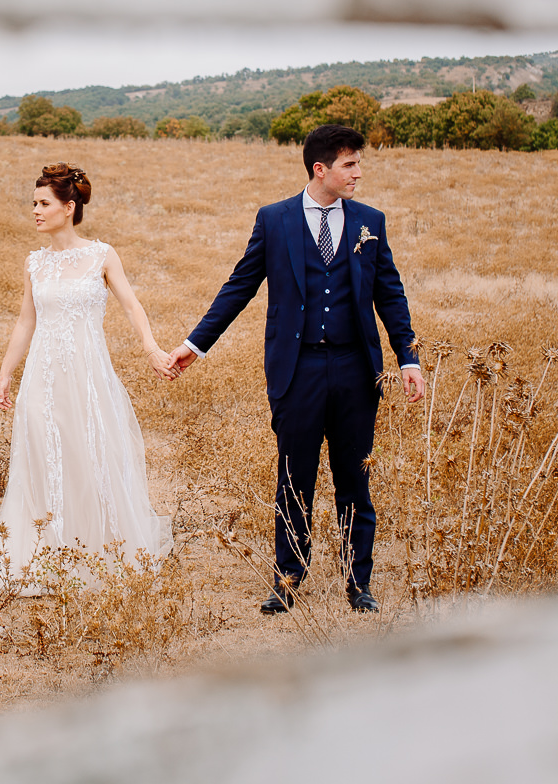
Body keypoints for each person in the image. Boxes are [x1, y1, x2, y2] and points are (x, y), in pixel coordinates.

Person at [169, 124, 425, 614]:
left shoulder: (371, 221)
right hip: (297, 370)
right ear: (320, 169)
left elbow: (390, 294)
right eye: (349, 164)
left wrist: (407, 357)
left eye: (358, 163)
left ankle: (359, 584)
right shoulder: (275, 220)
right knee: (294, 478)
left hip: (356, 369)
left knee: (354, 478)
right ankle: (287, 579)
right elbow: (239, 286)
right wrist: (194, 345)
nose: (358, 172)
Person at [0, 163, 174, 592]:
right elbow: (24, 323)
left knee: (90, 458)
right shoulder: (34, 263)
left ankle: (96, 552)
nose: (35, 211)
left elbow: (130, 305)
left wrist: (150, 347)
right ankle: (44, 555)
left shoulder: (101, 254)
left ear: (68, 207)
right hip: (42, 379)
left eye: (43, 203)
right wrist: (5, 375)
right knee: (42, 460)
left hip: (89, 379)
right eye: (33, 203)